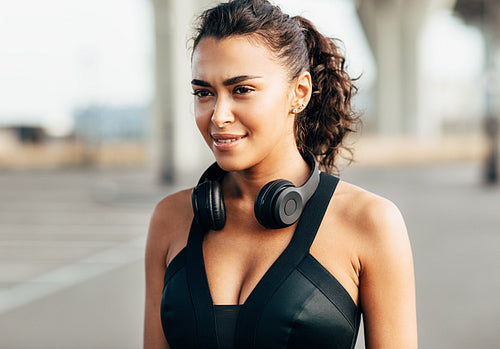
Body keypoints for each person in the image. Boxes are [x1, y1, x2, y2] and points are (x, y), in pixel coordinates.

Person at [144, 0, 417, 348]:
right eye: (204, 93)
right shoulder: (171, 219)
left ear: (299, 93)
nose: (218, 115)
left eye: (241, 90)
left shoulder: (369, 222)